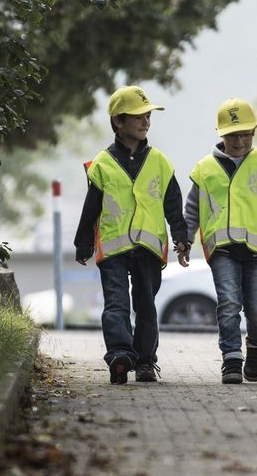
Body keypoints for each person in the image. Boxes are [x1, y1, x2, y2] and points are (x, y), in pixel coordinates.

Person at [75, 85, 191, 385]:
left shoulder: (160, 162)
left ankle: (145, 361)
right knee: (116, 304)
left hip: (148, 248)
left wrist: (181, 237)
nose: (145, 121)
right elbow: (91, 207)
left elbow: (173, 204)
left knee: (146, 307)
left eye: (148, 116)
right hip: (113, 248)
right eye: (138, 116)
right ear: (118, 121)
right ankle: (119, 355)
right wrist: (83, 242)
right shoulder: (102, 164)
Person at [186, 98, 257, 384]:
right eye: (233, 135)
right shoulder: (204, 169)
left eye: (246, 134)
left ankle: (256, 347)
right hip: (222, 250)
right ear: (221, 134)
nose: (240, 141)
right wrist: (185, 239)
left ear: (254, 132)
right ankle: (231, 359)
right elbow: (192, 209)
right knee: (228, 304)